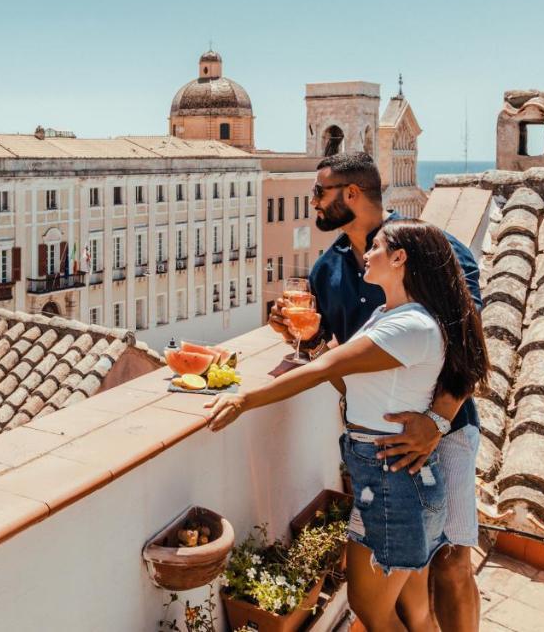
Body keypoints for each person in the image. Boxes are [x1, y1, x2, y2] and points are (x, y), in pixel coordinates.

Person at [209, 219, 489, 632]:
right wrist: (314, 339)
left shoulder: (409, 326)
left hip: (394, 483)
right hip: (391, 478)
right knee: (413, 610)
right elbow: (352, 382)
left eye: (376, 247)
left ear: (399, 258)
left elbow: (326, 369)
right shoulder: (389, 314)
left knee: (372, 609)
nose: (367, 255)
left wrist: (243, 400)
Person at [270, 152, 484, 632]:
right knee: (408, 576)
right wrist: (295, 332)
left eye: (320, 193)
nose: (312, 203)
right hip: (382, 448)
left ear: (352, 194)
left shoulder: (434, 249)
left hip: (445, 433)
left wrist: (437, 422)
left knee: (451, 560)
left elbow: (469, 343)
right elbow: (334, 349)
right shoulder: (327, 270)